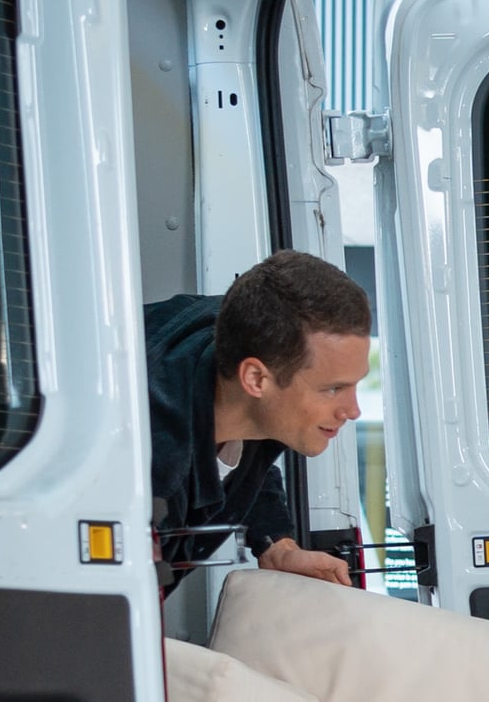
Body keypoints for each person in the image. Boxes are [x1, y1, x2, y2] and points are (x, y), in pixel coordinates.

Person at [145, 249, 374, 585]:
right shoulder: (145, 468)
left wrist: (276, 544)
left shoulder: (246, 333)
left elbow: (250, 441)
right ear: (254, 379)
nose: (353, 411)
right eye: (332, 389)